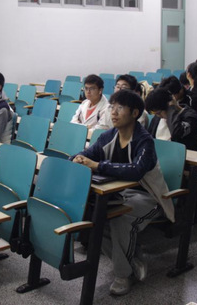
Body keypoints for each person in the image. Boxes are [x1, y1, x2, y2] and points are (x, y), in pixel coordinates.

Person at [71, 90, 174, 296]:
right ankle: (131, 261)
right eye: (112, 107)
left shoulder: (144, 141)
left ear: (135, 113)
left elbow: (136, 171)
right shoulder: (109, 136)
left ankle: (122, 275)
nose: (114, 112)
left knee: (119, 220)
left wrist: (98, 165)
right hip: (118, 194)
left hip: (149, 197)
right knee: (94, 219)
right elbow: (89, 153)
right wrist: (77, 158)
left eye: (120, 108)